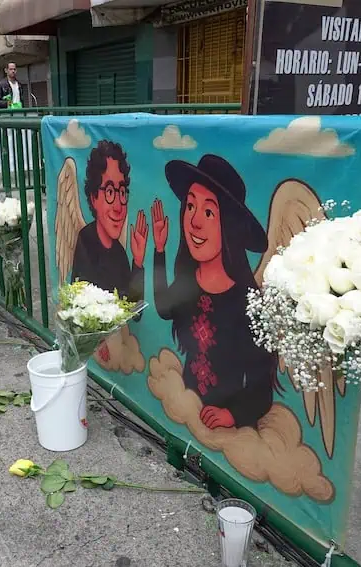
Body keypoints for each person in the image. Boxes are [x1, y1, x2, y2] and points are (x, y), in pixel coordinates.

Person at [150, 154, 276, 429]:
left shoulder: (249, 303)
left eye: (209, 212)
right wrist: (159, 250)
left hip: (228, 431)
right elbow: (164, 309)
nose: (194, 222)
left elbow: (262, 388)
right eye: (190, 207)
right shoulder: (188, 280)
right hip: (187, 411)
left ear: (228, 225)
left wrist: (231, 416)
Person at [71, 140, 146, 302]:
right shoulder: (86, 241)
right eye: (110, 192)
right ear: (93, 198)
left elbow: (134, 310)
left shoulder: (119, 253)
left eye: (122, 192)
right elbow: (84, 306)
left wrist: (138, 263)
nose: (118, 206)